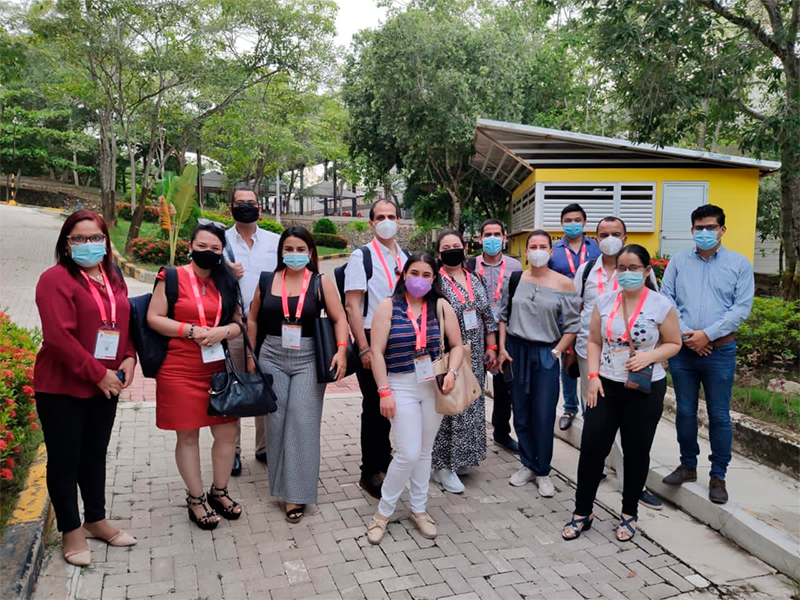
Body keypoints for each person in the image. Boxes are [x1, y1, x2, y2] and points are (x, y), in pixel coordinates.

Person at [34, 210, 138, 566]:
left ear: (106, 241)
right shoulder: (54, 280)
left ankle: (96, 519)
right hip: (62, 387)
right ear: (66, 243)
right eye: (79, 238)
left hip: (104, 385)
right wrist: (97, 373)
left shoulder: (113, 276)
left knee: (95, 454)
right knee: (66, 460)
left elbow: (122, 321)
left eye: (96, 237)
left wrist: (128, 357)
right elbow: (58, 338)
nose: (89, 244)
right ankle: (72, 530)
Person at [562, 244, 681, 543]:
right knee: (592, 449)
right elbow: (592, 340)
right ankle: (582, 512)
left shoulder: (660, 305)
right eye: (622, 268)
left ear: (646, 271)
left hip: (644, 388)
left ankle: (629, 514)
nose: (627, 273)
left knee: (636, 451)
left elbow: (674, 343)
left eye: (634, 268)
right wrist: (592, 377)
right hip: (605, 386)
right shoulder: (604, 302)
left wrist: (649, 357)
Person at [246, 226, 349, 523]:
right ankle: (281, 487)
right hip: (272, 356)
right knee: (276, 423)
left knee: (301, 422)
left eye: (300, 249)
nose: (294, 255)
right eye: (288, 249)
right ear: (281, 252)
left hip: (307, 357)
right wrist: (252, 358)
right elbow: (252, 319)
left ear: (311, 252)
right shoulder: (267, 280)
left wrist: (341, 350)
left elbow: (339, 317)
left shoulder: (320, 281)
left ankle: (297, 494)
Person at [147, 222, 244, 531]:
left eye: (216, 248)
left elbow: (239, 323)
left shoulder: (226, 281)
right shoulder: (172, 276)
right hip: (178, 368)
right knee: (187, 434)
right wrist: (188, 330)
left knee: (227, 432)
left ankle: (219, 492)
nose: (208, 252)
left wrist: (220, 331)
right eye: (202, 246)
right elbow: (153, 317)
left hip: (216, 369)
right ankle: (195, 498)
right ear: (190, 246)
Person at [365, 254, 464, 545]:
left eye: (426, 274)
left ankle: (419, 509)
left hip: (433, 384)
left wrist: (453, 372)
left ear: (434, 278)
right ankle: (382, 513)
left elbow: (457, 345)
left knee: (424, 451)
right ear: (404, 274)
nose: (419, 279)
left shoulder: (441, 307)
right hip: (400, 384)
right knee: (407, 452)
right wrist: (384, 391)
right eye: (414, 273)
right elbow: (377, 353)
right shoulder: (388, 306)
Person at [660, 205, 754, 505]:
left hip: (720, 350)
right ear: (691, 230)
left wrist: (707, 335)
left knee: (719, 415)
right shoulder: (677, 262)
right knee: (685, 411)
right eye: (699, 228)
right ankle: (688, 465)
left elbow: (741, 308)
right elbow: (666, 299)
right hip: (684, 350)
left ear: (722, 230)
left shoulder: (739, 265)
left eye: (710, 227)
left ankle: (718, 475)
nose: (704, 233)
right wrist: (689, 335)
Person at [573, 217, 663, 510]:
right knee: (596, 432)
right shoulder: (587, 271)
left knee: (634, 439)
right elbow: (576, 311)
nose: (609, 238)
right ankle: (592, 485)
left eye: (615, 234)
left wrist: (650, 356)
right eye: (603, 234)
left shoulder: (654, 293)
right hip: (596, 361)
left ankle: (632, 488)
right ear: (595, 238)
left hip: (639, 372)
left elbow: (667, 335)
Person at [497, 230, 581, 497]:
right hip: (516, 350)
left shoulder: (564, 284)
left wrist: (556, 352)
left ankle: (543, 470)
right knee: (520, 412)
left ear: (551, 251)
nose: (537, 250)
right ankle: (528, 463)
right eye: (532, 246)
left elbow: (572, 325)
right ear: (525, 251)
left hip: (545, 352)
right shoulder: (516, 279)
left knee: (543, 414)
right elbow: (502, 316)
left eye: (542, 246)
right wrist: (501, 347)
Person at [344, 199, 409, 499]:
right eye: (380, 217)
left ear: (399, 220)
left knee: (391, 402)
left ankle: (386, 459)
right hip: (371, 336)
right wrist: (365, 348)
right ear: (371, 223)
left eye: (391, 216)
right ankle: (369, 471)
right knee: (373, 404)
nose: (386, 221)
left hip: (400, 336)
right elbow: (352, 305)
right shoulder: (362, 257)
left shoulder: (405, 257)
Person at [430, 230, 498, 493]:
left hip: (477, 352)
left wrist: (492, 345)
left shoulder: (476, 278)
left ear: (464, 248)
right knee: (449, 406)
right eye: (446, 247)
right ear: (439, 254)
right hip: (449, 352)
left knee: (470, 403)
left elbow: (486, 315)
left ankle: (461, 458)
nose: (452, 250)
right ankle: (442, 467)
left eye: (456, 245)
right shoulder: (436, 281)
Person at [224, 184, 280, 475]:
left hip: (268, 326)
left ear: (260, 207)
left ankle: (264, 447)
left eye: (252, 202)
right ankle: (231, 450)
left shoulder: (275, 241)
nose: (246, 206)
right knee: (234, 385)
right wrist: (225, 271)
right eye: (240, 202)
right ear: (230, 207)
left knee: (264, 384)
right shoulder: (219, 241)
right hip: (233, 327)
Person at [470, 219, 522, 454]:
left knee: (504, 388)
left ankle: (501, 432)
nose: (492, 238)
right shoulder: (468, 265)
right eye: (487, 234)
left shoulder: (515, 266)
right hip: (473, 333)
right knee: (471, 385)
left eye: (497, 234)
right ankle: (470, 434)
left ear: (505, 237)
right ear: (480, 238)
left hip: (504, 334)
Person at [549, 203, 601, 432]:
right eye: (568, 220)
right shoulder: (553, 250)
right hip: (562, 317)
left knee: (592, 362)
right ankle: (570, 408)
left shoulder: (597, 248)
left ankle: (591, 409)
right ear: (561, 223)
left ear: (584, 222)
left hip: (592, 316)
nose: (572, 224)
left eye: (577, 220)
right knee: (567, 363)